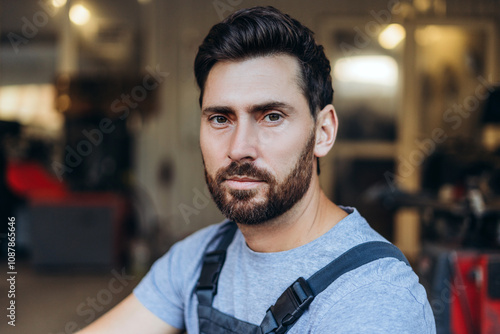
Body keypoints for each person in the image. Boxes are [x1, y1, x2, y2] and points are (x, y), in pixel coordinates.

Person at [79, 6, 436, 333]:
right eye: (221, 118)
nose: (238, 149)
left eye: (271, 117)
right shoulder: (198, 258)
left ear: (323, 132)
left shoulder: (373, 295)